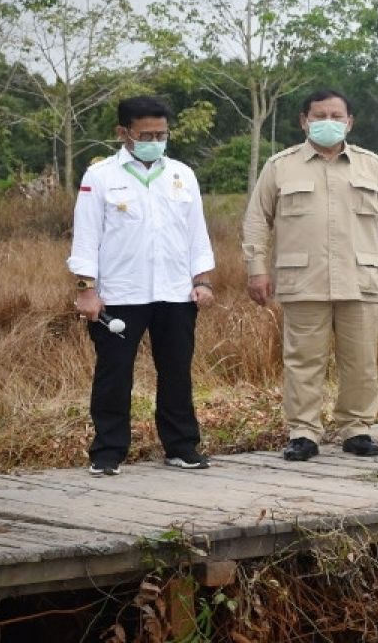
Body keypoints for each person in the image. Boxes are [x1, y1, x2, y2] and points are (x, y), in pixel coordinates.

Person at [243, 89, 378, 462]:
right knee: (303, 359)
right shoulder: (280, 166)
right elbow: (256, 220)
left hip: (361, 278)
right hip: (303, 279)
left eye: (336, 115)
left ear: (349, 121)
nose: (328, 122)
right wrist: (256, 269)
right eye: (319, 115)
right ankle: (303, 432)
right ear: (304, 121)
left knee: (361, 359)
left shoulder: (372, 165)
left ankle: (357, 428)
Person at [69, 96, 216, 475]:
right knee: (114, 374)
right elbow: (86, 237)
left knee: (177, 371)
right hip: (120, 293)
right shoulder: (100, 176)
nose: (154, 140)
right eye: (145, 134)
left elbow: (196, 232)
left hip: (175, 292)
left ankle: (181, 446)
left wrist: (202, 280)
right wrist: (87, 288)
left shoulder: (182, 174)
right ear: (123, 133)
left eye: (161, 134)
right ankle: (108, 451)